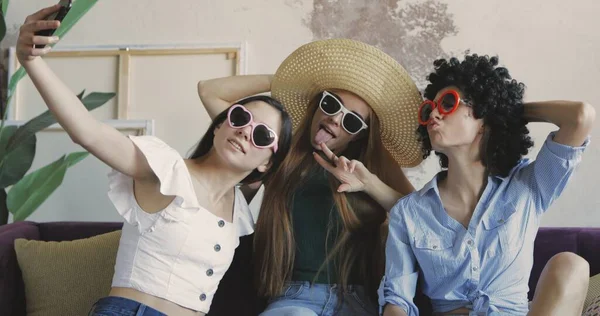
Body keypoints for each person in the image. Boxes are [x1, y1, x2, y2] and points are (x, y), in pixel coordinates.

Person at [16, 5, 292, 316]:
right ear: (218, 125)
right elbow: (88, 133)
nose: (244, 132)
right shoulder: (165, 170)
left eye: (263, 135)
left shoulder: (238, 206)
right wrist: (31, 61)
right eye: (240, 117)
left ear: (266, 163)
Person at [198, 38, 423, 315]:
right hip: (294, 298)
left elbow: (423, 218)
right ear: (317, 104)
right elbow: (209, 91)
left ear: (360, 134)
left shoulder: (375, 167)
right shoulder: (277, 152)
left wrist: (369, 184)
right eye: (330, 104)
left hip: (358, 301)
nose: (336, 119)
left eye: (351, 120)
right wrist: (282, 82)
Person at [379, 54, 595, 316]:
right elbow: (396, 300)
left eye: (448, 103)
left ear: (483, 120)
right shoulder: (409, 212)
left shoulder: (527, 187)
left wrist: (507, 111)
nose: (434, 113)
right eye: (428, 110)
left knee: (571, 265)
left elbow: (580, 117)